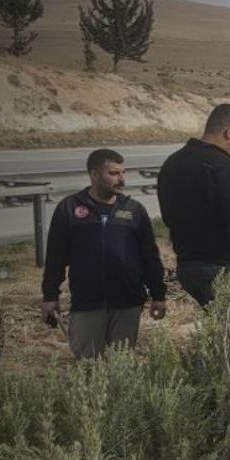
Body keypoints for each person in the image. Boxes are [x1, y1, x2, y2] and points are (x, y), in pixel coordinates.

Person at [41, 149, 167, 359]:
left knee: (121, 369)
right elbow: (55, 256)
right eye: (114, 173)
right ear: (94, 174)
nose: (122, 179)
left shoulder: (134, 210)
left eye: (123, 173)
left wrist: (159, 295)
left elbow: (150, 257)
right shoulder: (70, 208)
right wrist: (50, 295)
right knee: (89, 372)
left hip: (127, 303)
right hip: (87, 304)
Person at [157, 104, 230, 306]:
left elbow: (168, 218)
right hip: (221, 269)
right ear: (229, 133)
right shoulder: (227, 168)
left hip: (187, 268)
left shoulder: (173, 163)